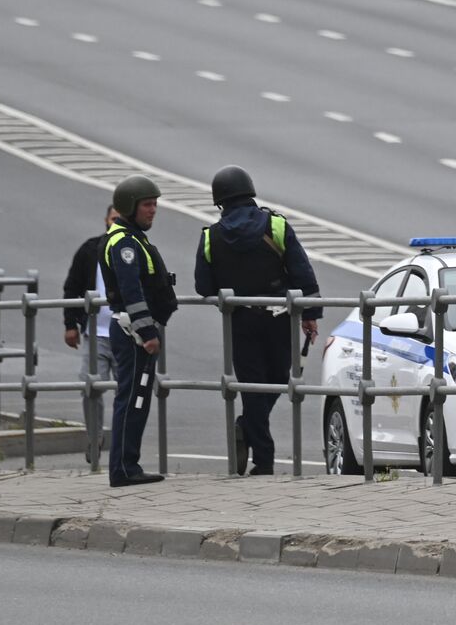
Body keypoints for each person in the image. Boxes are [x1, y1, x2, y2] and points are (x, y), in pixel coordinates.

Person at [195, 165, 321, 476]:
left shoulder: (211, 236)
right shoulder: (276, 225)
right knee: (280, 380)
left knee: (252, 388)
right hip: (279, 318)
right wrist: (311, 314)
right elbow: (302, 271)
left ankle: (262, 458)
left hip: (240, 320)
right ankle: (250, 433)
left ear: (220, 202)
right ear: (250, 192)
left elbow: (202, 286)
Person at [100, 175, 177, 487]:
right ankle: (122, 468)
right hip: (133, 334)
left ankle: (129, 465)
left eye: (155, 204)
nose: (153, 210)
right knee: (131, 399)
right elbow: (132, 292)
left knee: (138, 400)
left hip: (135, 332)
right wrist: (148, 334)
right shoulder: (124, 244)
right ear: (130, 207)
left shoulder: (132, 239)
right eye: (147, 204)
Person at [63, 204, 118, 464]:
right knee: (90, 388)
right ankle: (94, 437)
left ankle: (123, 442)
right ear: (106, 219)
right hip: (95, 334)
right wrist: (70, 324)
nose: (116, 223)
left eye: (121, 219)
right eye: (113, 218)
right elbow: (72, 287)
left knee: (127, 391)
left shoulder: (135, 249)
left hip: (126, 334)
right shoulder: (90, 249)